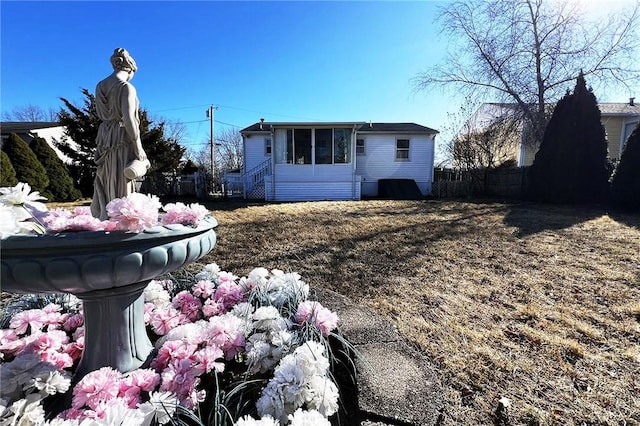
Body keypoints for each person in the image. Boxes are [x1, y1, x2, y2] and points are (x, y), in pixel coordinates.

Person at [91, 48, 149, 219]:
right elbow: (129, 119)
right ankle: (120, 214)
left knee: (106, 172)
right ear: (130, 69)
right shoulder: (126, 87)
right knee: (122, 175)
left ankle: (105, 212)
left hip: (104, 133)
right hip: (120, 134)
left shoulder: (100, 85)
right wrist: (138, 148)